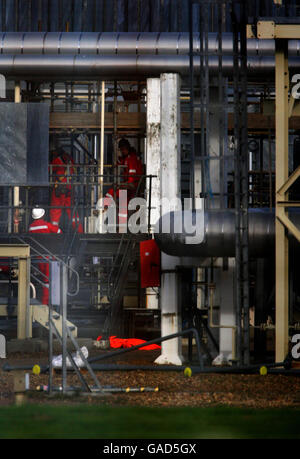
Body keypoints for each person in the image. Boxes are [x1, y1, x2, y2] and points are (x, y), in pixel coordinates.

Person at [103, 139, 144, 228]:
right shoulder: (126, 158)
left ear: (127, 148)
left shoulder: (132, 159)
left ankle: (104, 208)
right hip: (128, 186)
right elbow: (119, 163)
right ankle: (122, 228)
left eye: (123, 149)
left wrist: (123, 185)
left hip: (132, 186)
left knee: (111, 192)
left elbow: (132, 178)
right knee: (123, 207)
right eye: (121, 150)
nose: (122, 151)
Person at [29, 207, 62, 305]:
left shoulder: (31, 227)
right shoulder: (47, 226)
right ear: (43, 215)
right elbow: (59, 232)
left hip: (38, 257)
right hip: (48, 256)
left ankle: (44, 301)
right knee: (49, 281)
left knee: (44, 280)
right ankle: (47, 303)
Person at [49, 148, 83, 233]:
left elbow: (49, 171)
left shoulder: (57, 161)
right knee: (72, 212)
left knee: (56, 212)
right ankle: (79, 232)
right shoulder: (70, 161)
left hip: (60, 190)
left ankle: (54, 232)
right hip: (68, 189)